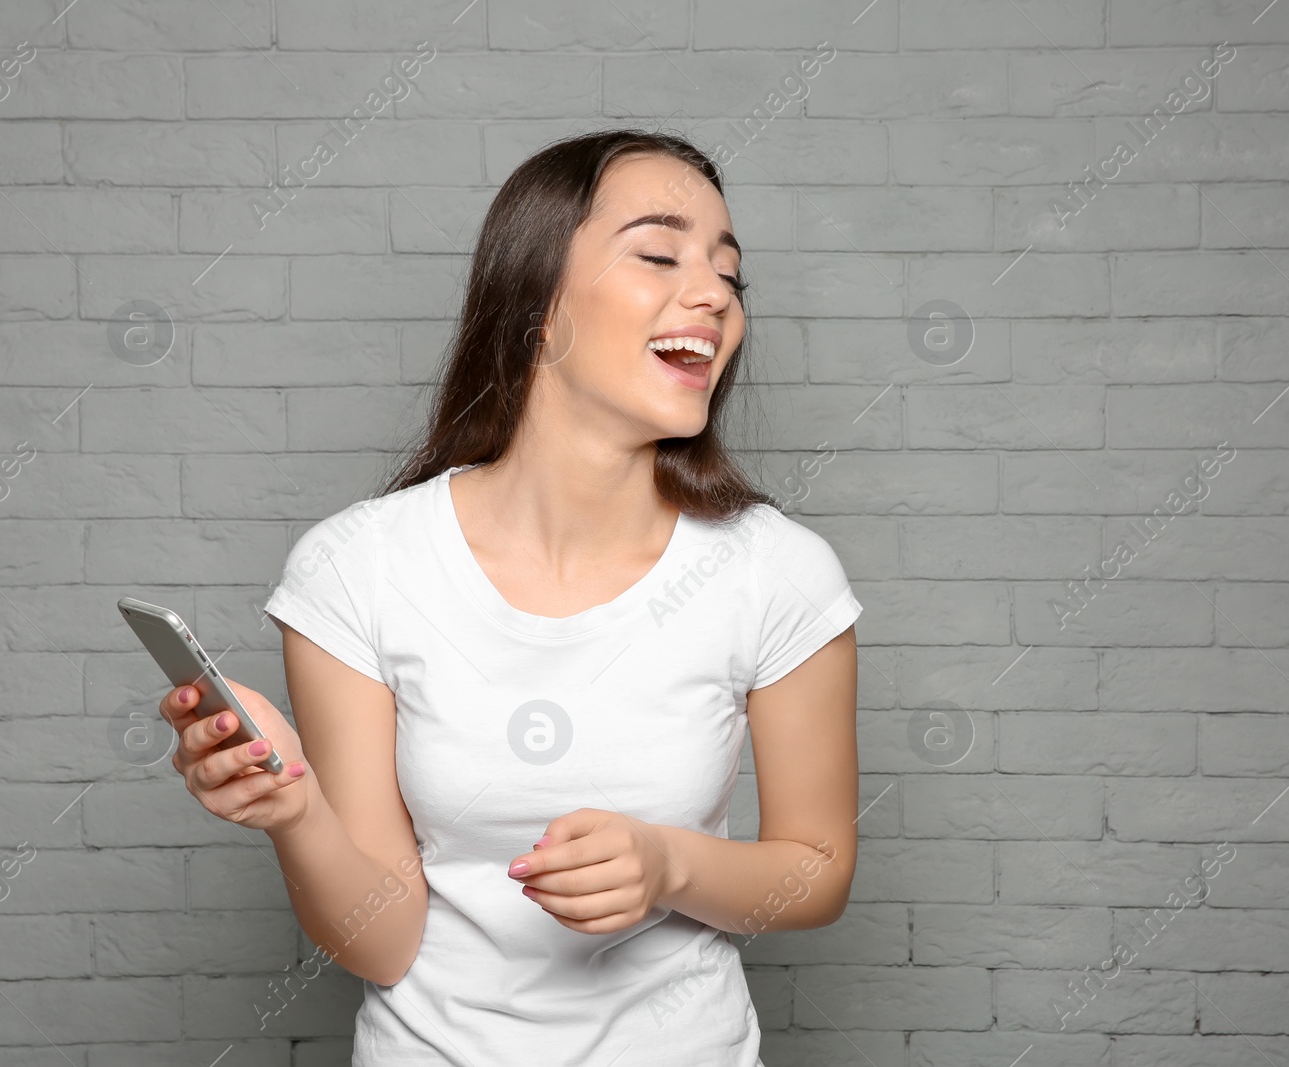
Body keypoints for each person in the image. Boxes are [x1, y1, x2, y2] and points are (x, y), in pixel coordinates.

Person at [157, 128, 863, 1065]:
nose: (714, 295)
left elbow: (816, 874)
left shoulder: (777, 572)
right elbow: (383, 939)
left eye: (730, 275)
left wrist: (669, 864)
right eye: (659, 254)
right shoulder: (357, 567)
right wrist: (297, 810)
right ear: (536, 301)